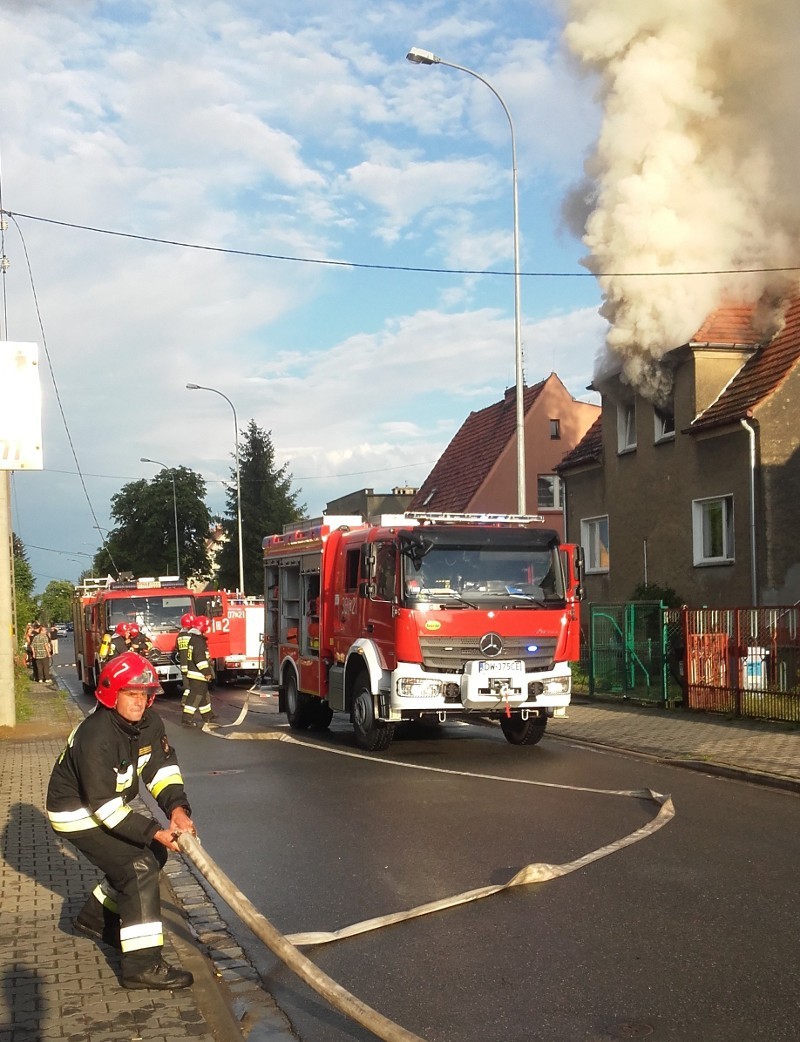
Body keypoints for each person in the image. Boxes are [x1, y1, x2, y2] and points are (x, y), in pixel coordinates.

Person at [46, 652, 196, 990]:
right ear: (111, 694)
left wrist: (177, 810)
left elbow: (161, 770)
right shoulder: (96, 735)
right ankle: (142, 966)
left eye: (144, 695)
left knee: (153, 855)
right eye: (131, 694)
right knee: (138, 867)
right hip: (75, 812)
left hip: (105, 805)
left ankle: (94, 919)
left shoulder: (149, 724)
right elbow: (104, 808)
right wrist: (154, 831)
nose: (139, 703)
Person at [181, 615, 214, 727]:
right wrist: (206, 672)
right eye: (207, 627)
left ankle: (207, 715)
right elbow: (199, 659)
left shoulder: (194, 639)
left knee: (203, 695)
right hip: (197, 674)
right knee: (195, 696)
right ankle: (187, 718)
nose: (208, 629)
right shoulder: (199, 641)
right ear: (202, 627)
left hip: (195, 674)